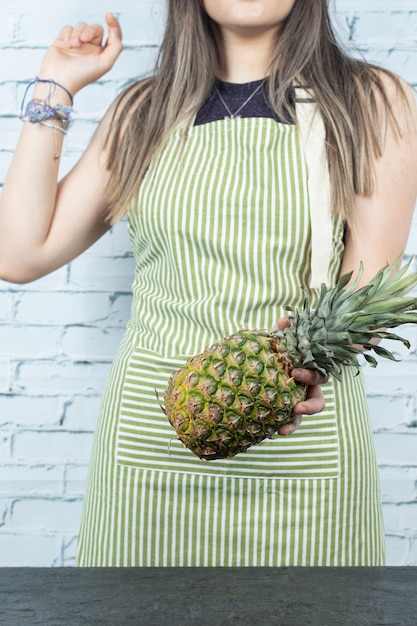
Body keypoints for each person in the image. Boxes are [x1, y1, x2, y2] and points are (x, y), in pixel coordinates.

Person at [0, 1, 416, 567]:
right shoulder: (144, 111)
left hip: (300, 450)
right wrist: (57, 86)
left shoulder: (368, 101)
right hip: (149, 454)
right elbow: (19, 254)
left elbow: (364, 291)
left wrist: (302, 371)